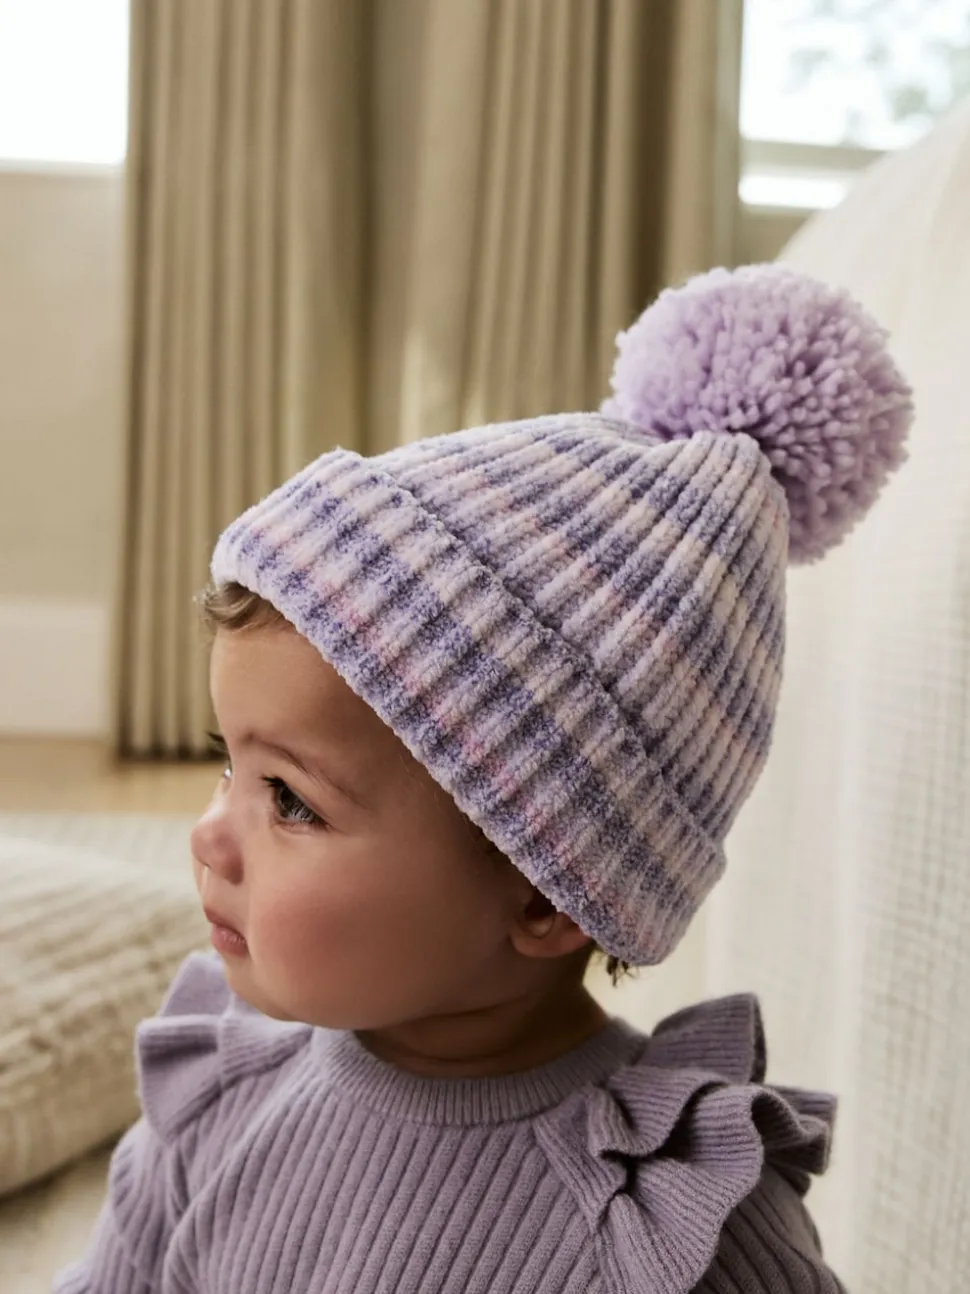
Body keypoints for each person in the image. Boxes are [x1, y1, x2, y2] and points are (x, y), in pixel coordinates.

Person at [55, 263, 912, 1294]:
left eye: (289, 800)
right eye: (227, 763)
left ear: (547, 895)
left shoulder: (667, 1227)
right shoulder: (216, 1107)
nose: (208, 835)